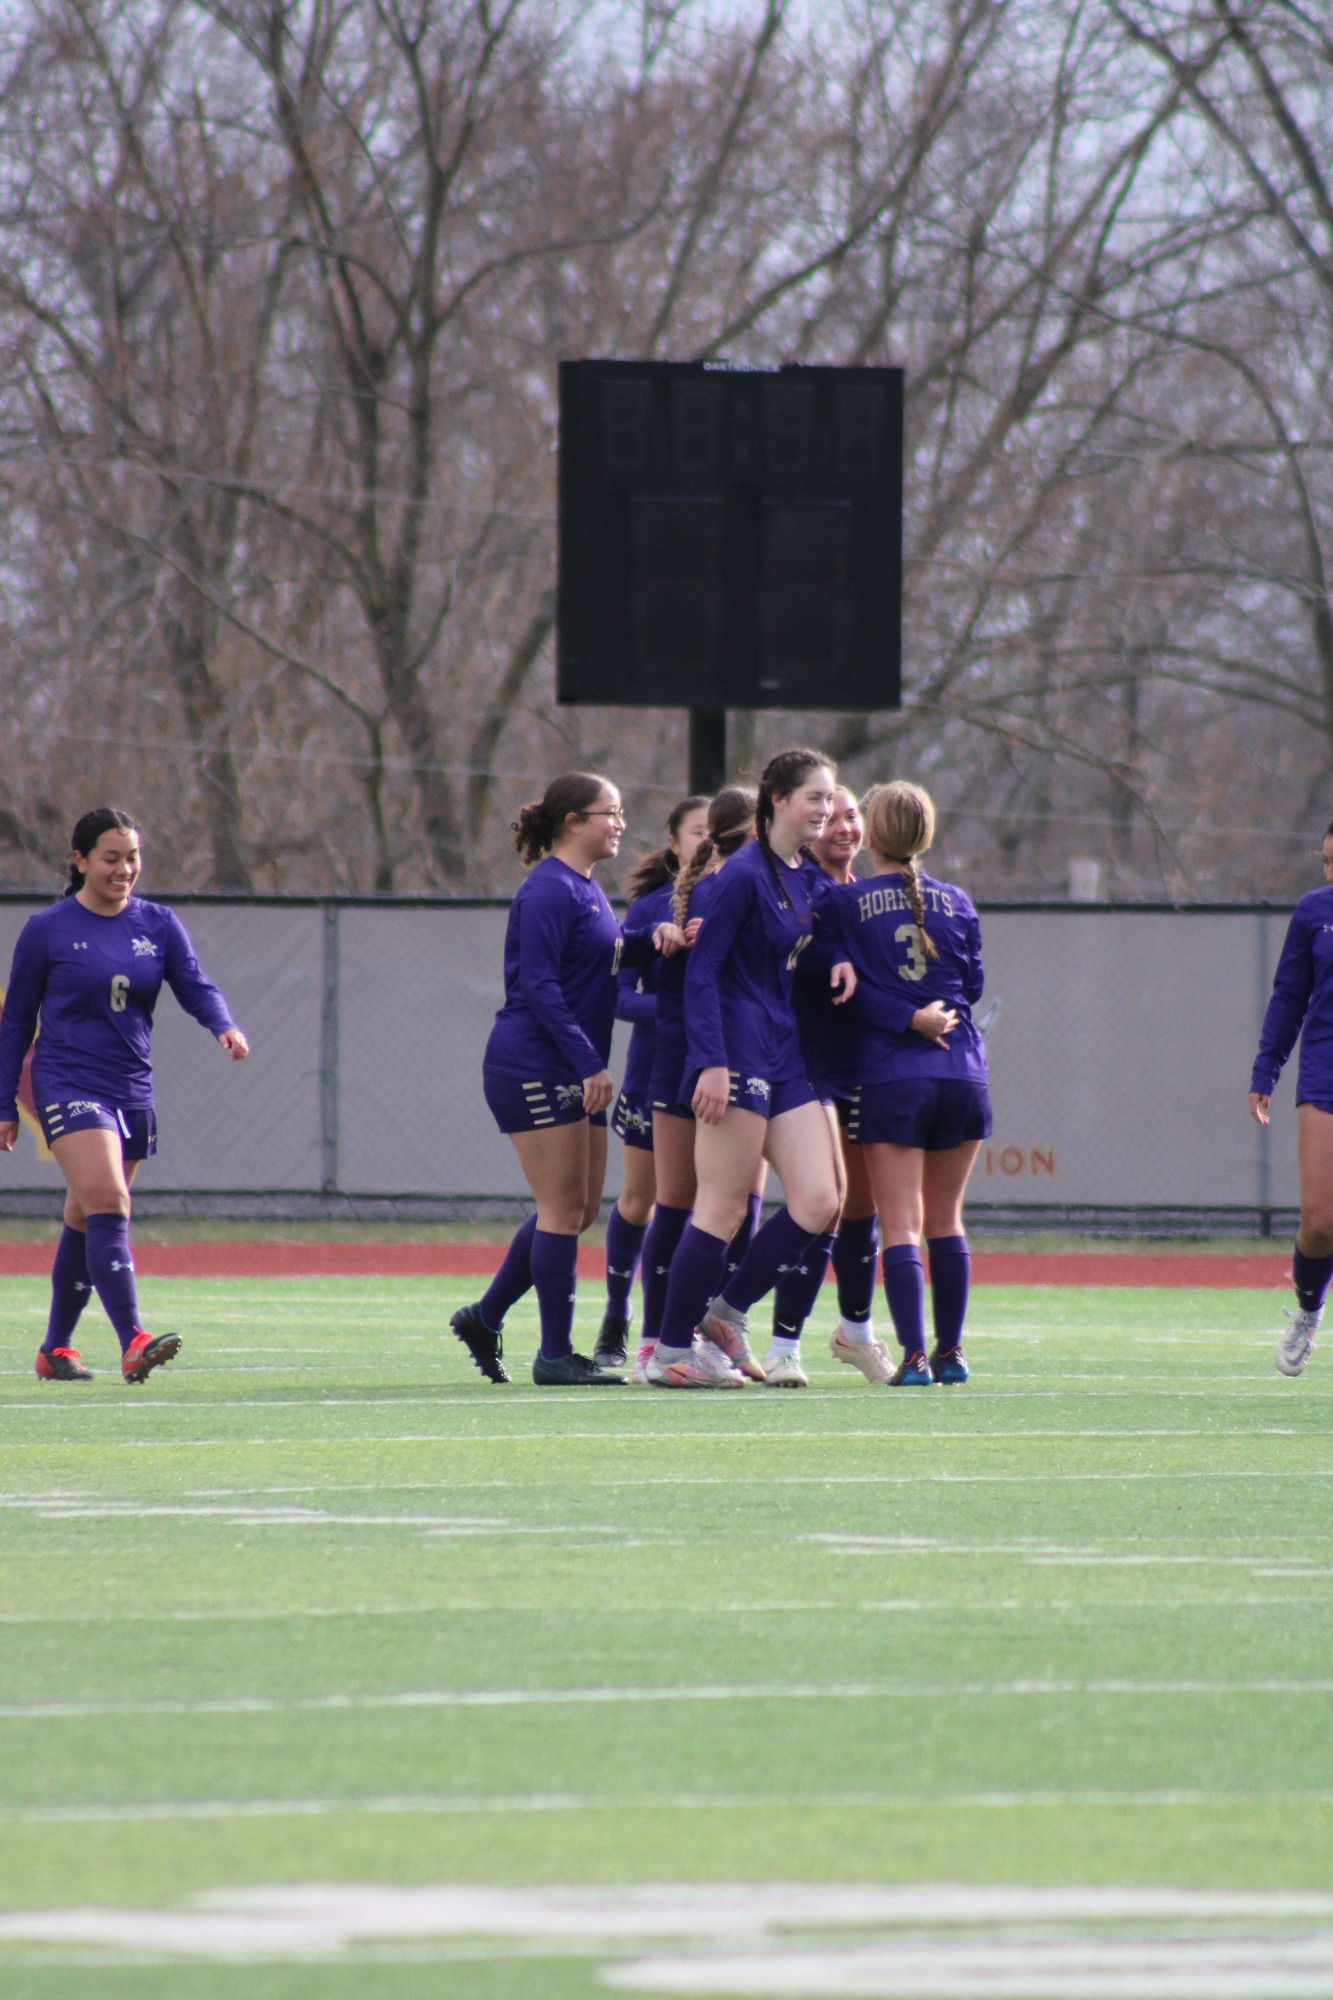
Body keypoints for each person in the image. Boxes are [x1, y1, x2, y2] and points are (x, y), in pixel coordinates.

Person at [0, 807, 249, 1384]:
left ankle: (55, 1349)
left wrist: (223, 1024)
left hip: (130, 1085)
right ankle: (133, 1339)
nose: (124, 869)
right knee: (109, 1199)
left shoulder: (157, 923)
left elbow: (194, 984)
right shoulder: (48, 929)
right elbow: (16, 1021)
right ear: (80, 860)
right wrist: (4, 1101)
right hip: (68, 1081)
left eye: (132, 857)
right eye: (111, 858)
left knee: (85, 1214)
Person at [451, 772, 682, 1387]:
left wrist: (649, 939)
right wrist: (587, 1063)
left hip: (570, 1066)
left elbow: (604, 954)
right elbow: (539, 986)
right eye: (611, 812)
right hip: (536, 1063)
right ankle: (555, 1354)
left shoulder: (584, 886)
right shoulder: (549, 889)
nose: (621, 823)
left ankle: (485, 1316)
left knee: (577, 1211)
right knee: (561, 1208)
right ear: (573, 822)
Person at [647, 748, 855, 1389]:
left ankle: (725, 1314)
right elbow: (701, 972)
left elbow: (823, 924)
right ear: (777, 801)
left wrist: (837, 955)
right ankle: (668, 1354)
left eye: (831, 798)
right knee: (722, 1208)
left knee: (821, 1200)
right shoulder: (741, 874)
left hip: (783, 1053)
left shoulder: (802, 872)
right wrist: (711, 1063)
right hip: (736, 1052)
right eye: (814, 798)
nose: (825, 810)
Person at [832, 780, 987, 1385]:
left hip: (893, 1075)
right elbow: (972, 986)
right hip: (962, 1071)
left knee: (900, 1225)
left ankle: (915, 1358)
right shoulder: (958, 900)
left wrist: (902, 1014)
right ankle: (953, 1355)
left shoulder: (847, 902)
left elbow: (843, 992)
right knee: (947, 1221)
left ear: (870, 834)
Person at [635, 786, 766, 1384]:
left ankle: (708, 1336)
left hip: (748, 1061)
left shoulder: (767, 889)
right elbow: (634, 982)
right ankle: (654, 1342)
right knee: (678, 1203)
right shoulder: (671, 901)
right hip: (684, 1064)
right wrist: (660, 942)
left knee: (742, 1207)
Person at [772, 784, 889, 1387]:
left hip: (864, 1067)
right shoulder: (799, 890)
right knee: (820, 1206)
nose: (844, 827)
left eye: (852, 816)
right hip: (807, 1067)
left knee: (861, 1207)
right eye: (831, 816)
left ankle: (856, 1335)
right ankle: (782, 1344)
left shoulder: (868, 895)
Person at [594, 795, 710, 1370]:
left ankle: (693, 1333)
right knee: (644, 1199)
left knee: (712, 1207)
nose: (709, 842)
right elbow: (619, 997)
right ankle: (620, 1315)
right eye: (698, 831)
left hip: (723, 1074)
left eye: (719, 832)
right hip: (656, 1072)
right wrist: (679, 1012)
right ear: (674, 843)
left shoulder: (740, 898)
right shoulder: (650, 908)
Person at [1249, 820, 1333, 1377]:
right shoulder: (1312, 913)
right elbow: (1288, 997)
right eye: (1326, 861)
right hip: (1325, 1074)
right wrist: (1266, 1069)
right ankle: (1308, 1311)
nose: (1329, 871)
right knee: (1320, 1222)